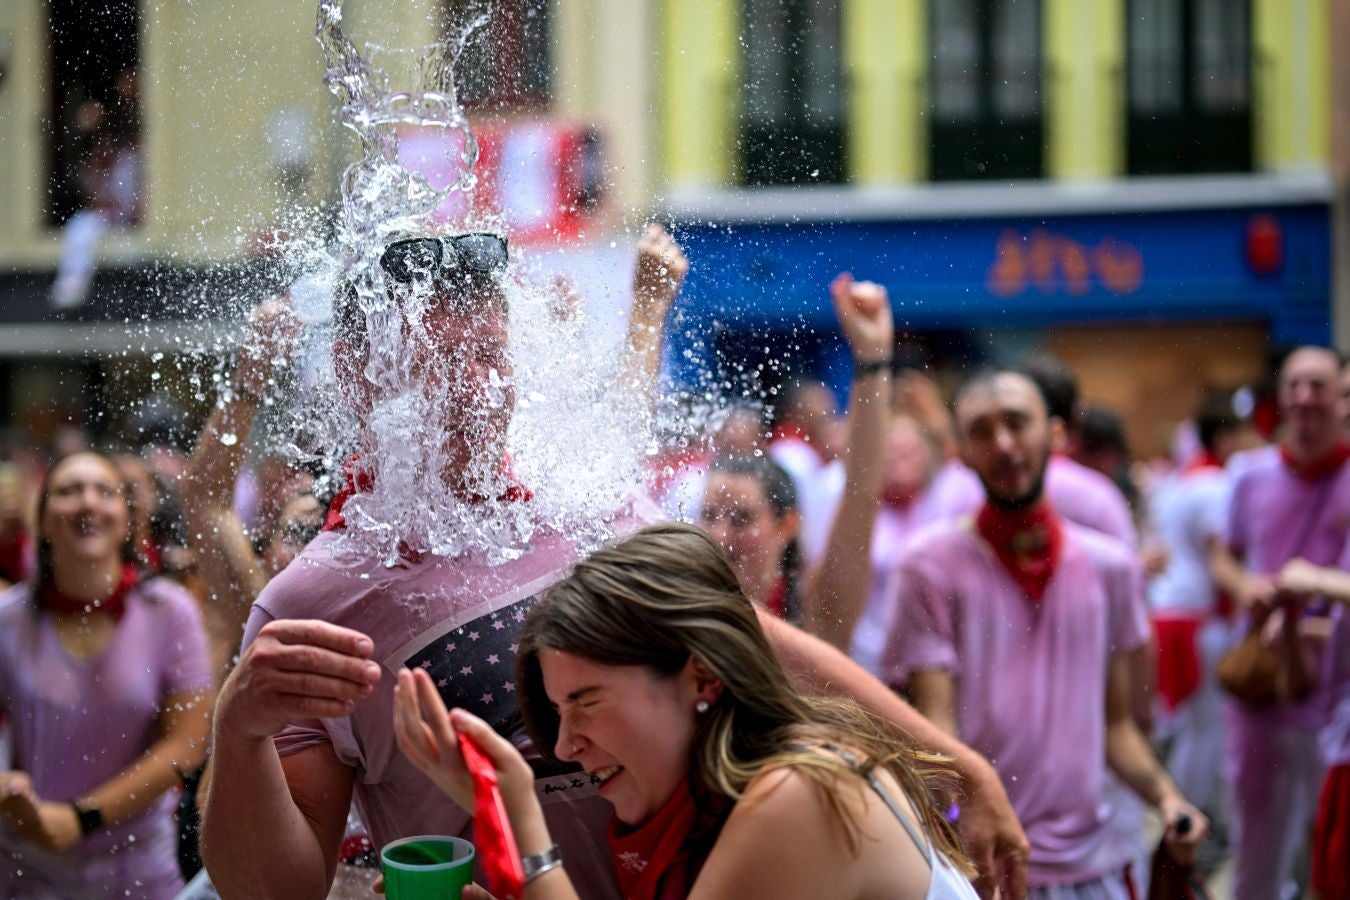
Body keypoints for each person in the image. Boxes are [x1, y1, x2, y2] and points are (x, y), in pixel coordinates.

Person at [200, 228, 1029, 900]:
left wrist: (962, 769)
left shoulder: (586, 502)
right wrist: (239, 733)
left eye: (494, 359)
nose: (483, 392)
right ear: (362, 373)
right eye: (450, 366)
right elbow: (275, 889)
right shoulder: (313, 602)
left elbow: (755, 646)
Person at [394, 522, 980, 900]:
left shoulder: (799, 793)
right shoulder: (711, 807)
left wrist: (514, 816)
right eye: (556, 710)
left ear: (702, 676)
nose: (566, 746)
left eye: (586, 702)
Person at [882, 369, 1208, 898]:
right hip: (988, 863)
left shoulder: (1111, 568)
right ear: (962, 452)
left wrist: (1169, 799)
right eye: (982, 431)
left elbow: (1118, 726)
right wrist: (954, 824)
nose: (1004, 444)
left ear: (1055, 436)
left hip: (1098, 863)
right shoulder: (928, 566)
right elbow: (937, 731)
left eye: (1017, 423)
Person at [0, 451, 213, 899]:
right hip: (26, 867)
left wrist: (82, 818)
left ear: (127, 520)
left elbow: (188, 743)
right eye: (68, 491)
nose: (88, 503)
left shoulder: (170, 610)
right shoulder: (8, 618)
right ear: (43, 520)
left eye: (105, 491)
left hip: (138, 868)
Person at [1208, 345, 1350, 900]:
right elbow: (1224, 555)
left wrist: (1311, 583)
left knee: (1331, 843)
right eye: (1294, 385)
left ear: (1341, 396)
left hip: (1333, 695)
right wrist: (1250, 589)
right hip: (1261, 682)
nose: (1305, 397)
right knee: (1256, 839)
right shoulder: (1249, 475)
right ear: (1281, 398)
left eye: (1318, 385)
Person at [1145, 395, 1240, 817]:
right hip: (1197, 620)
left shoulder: (1176, 482)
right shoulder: (1214, 486)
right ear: (1223, 437)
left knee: (1190, 728)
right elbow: (1221, 563)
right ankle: (1190, 817)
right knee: (1205, 731)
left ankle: (1185, 813)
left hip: (1170, 613)